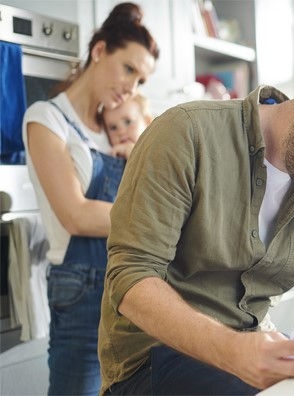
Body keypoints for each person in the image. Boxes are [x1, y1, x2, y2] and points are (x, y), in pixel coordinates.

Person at [98, 50, 294, 395]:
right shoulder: (187, 133)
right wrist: (234, 351)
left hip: (248, 360)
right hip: (152, 364)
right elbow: (131, 277)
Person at [20, 3, 158, 395]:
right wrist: (156, 219)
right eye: (128, 69)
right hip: (80, 290)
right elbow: (76, 215)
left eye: (141, 80)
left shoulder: (118, 129)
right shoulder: (47, 119)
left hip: (132, 287)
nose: (131, 87)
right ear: (99, 52)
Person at [102, 94, 152, 159]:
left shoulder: (156, 149)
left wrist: (132, 154)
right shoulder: (112, 155)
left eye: (128, 122)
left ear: (147, 122)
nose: (121, 132)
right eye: (113, 127)